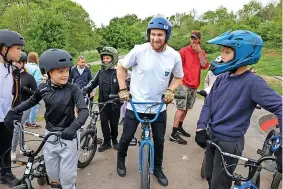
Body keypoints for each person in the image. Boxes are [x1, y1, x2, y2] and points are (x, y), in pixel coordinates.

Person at [194, 30, 282, 189]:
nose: (222, 55)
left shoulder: (253, 83)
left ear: (243, 55)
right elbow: (208, 104)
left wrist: (282, 145)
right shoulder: (221, 78)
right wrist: (201, 127)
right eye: (222, 50)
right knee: (209, 176)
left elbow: (281, 107)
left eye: (227, 52)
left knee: (219, 185)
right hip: (211, 136)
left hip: (229, 141)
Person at [5, 48, 89, 189]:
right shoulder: (43, 89)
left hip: (68, 136)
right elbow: (31, 101)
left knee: (68, 177)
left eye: (67, 71)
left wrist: (73, 127)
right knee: (52, 174)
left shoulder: (73, 89)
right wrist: (13, 111)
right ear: (49, 72)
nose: (65, 75)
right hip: (50, 136)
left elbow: (84, 111)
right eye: (60, 71)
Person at [116, 16, 183, 187]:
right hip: (135, 104)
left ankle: (157, 168)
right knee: (126, 137)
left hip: (158, 107)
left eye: (160, 35)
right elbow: (121, 67)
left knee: (159, 141)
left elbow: (178, 77)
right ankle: (120, 160)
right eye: (152, 34)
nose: (155, 38)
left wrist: (170, 90)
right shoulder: (139, 50)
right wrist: (123, 89)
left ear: (166, 36)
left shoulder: (174, 55)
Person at [171, 30, 209, 145]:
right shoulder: (184, 51)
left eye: (195, 38)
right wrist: (178, 81)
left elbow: (205, 66)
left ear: (199, 39)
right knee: (181, 108)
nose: (193, 40)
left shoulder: (201, 52)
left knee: (187, 107)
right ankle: (173, 133)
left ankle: (180, 127)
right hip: (184, 83)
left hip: (194, 84)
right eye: (192, 38)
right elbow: (177, 66)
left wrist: (199, 53)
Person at [82, 47, 121, 152]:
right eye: (104, 58)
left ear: (113, 58)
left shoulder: (118, 72)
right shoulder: (101, 72)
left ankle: (114, 140)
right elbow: (92, 83)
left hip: (115, 103)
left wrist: (121, 96)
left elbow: (125, 86)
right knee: (104, 123)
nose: (105, 60)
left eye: (108, 58)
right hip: (102, 103)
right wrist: (83, 92)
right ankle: (107, 142)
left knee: (113, 124)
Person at [0, 29, 25, 187]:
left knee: (6, 147)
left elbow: (13, 93)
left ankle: (6, 174)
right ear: (4, 49)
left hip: (6, 116)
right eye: (18, 48)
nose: (20, 52)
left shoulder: (12, 69)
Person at [11, 52, 37, 161]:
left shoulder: (29, 77)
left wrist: (26, 90)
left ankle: (12, 151)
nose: (16, 64)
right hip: (13, 105)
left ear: (23, 63)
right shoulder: (11, 75)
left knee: (17, 127)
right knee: (19, 127)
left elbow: (36, 94)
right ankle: (22, 147)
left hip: (26, 105)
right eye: (14, 62)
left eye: (18, 62)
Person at [25, 52, 42, 128]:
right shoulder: (36, 68)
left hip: (25, 90)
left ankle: (26, 121)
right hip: (33, 89)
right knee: (34, 105)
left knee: (26, 105)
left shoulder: (25, 66)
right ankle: (32, 122)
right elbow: (38, 81)